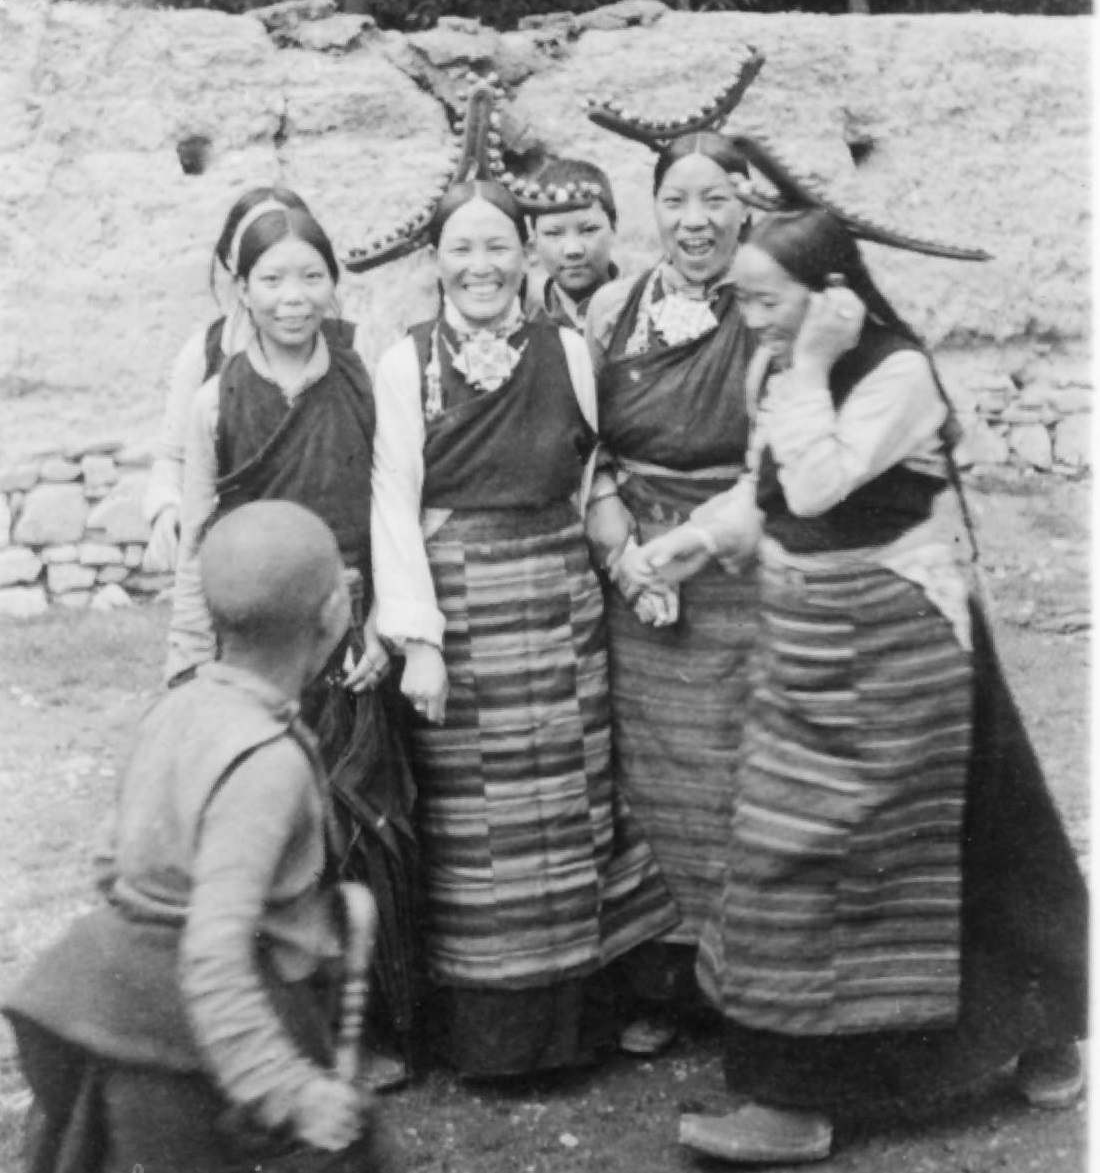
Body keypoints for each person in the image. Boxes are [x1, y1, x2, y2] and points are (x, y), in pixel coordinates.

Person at [638, 205, 1088, 1165]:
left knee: (962, 852)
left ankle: (1044, 1031)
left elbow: (818, 484)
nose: (750, 315)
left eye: (766, 298)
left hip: (910, 645)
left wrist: (806, 370)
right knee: (792, 859)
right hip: (808, 642)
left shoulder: (898, 373)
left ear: (830, 295)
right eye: (742, 299)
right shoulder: (778, 363)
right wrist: (699, 539)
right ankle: (796, 1098)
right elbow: (768, 490)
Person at [369, 171, 678, 1079]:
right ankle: (489, 1041)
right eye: (460, 248)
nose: (481, 266)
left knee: (569, 812)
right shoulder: (407, 362)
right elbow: (394, 504)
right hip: (464, 617)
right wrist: (419, 641)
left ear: (527, 253)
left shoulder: (571, 351)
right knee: (480, 828)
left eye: (498, 246)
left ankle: (575, 1028)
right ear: (434, 261)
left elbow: (590, 483)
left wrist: (623, 571)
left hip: (558, 608)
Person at [3, 502, 399, 1173]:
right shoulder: (267, 760)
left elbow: (113, 864)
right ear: (334, 612)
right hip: (191, 1051)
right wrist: (291, 1090)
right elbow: (214, 955)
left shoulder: (175, 709)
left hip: (112, 1016)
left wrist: (312, 917)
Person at [165, 198, 419, 1085]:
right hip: (257, 653)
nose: (294, 295)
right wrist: (190, 673)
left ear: (334, 281)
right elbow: (200, 543)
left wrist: (386, 618)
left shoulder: (365, 376)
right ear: (240, 286)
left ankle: (374, 1027)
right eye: (272, 277)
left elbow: (394, 504)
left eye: (312, 274)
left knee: (364, 832)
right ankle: (288, 1034)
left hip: (353, 638)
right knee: (273, 843)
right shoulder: (214, 399)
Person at [583, 128, 757, 1055]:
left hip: (736, 574)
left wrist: (692, 541)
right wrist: (622, 551)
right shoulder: (614, 306)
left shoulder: (771, 305)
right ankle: (661, 982)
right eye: (676, 201)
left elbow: (780, 460)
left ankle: (747, 991)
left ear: (745, 205)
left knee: (741, 779)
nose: (695, 221)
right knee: (647, 784)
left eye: (715, 198)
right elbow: (585, 444)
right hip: (638, 577)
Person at [143, 184, 311, 575]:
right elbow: (173, 457)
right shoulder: (205, 352)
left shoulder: (337, 351)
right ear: (231, 259)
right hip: (231, 557)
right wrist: (167, 507)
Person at [528, 156, 619, 330]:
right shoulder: (527, 324)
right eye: (554, 233)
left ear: (613, 226)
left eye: (589, 230)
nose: (573, 250)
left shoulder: (646, 311)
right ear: (534, 240)